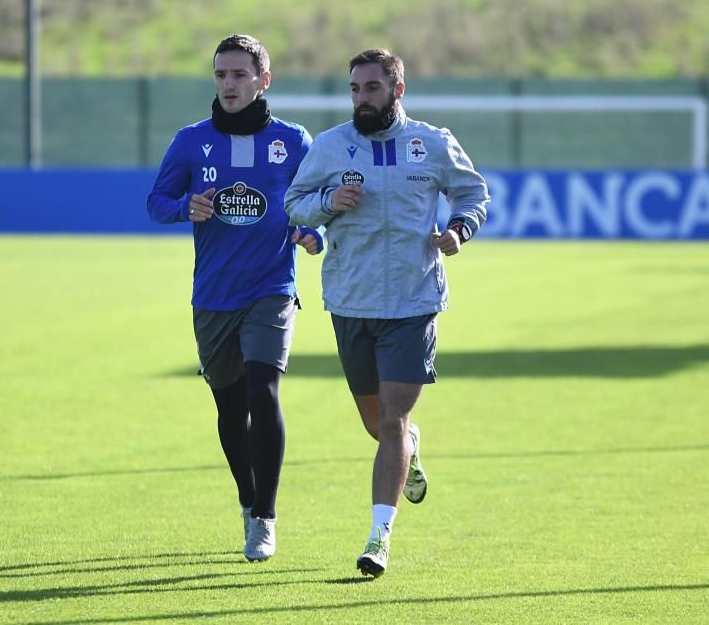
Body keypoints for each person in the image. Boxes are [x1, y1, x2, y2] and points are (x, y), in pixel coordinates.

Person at [284, 48, 490, 578]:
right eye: (355, 89)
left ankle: (379, 537)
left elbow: (472, 193)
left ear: (397, 89)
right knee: (378, 424)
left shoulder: (433, 143)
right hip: (351, 302)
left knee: (393, 420)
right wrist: (329, 200)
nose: (361, 98)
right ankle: (410, 450)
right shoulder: (331, 146)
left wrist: (458, 231)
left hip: (414, 301)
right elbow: (295, 204)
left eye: (371, 88)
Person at [147, 34, 323, 562]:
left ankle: (266, 518)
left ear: (263, 80)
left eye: (240, 74)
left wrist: (316, 234)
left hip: (272, 287)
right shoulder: (190, 140)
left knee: (263, 393)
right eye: (222, 74)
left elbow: (314, 204)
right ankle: (248, 503)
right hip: (213, 294)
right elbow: (156, 202)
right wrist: (186, 208)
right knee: (229, 405)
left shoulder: (293, 141)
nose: (229, 84)